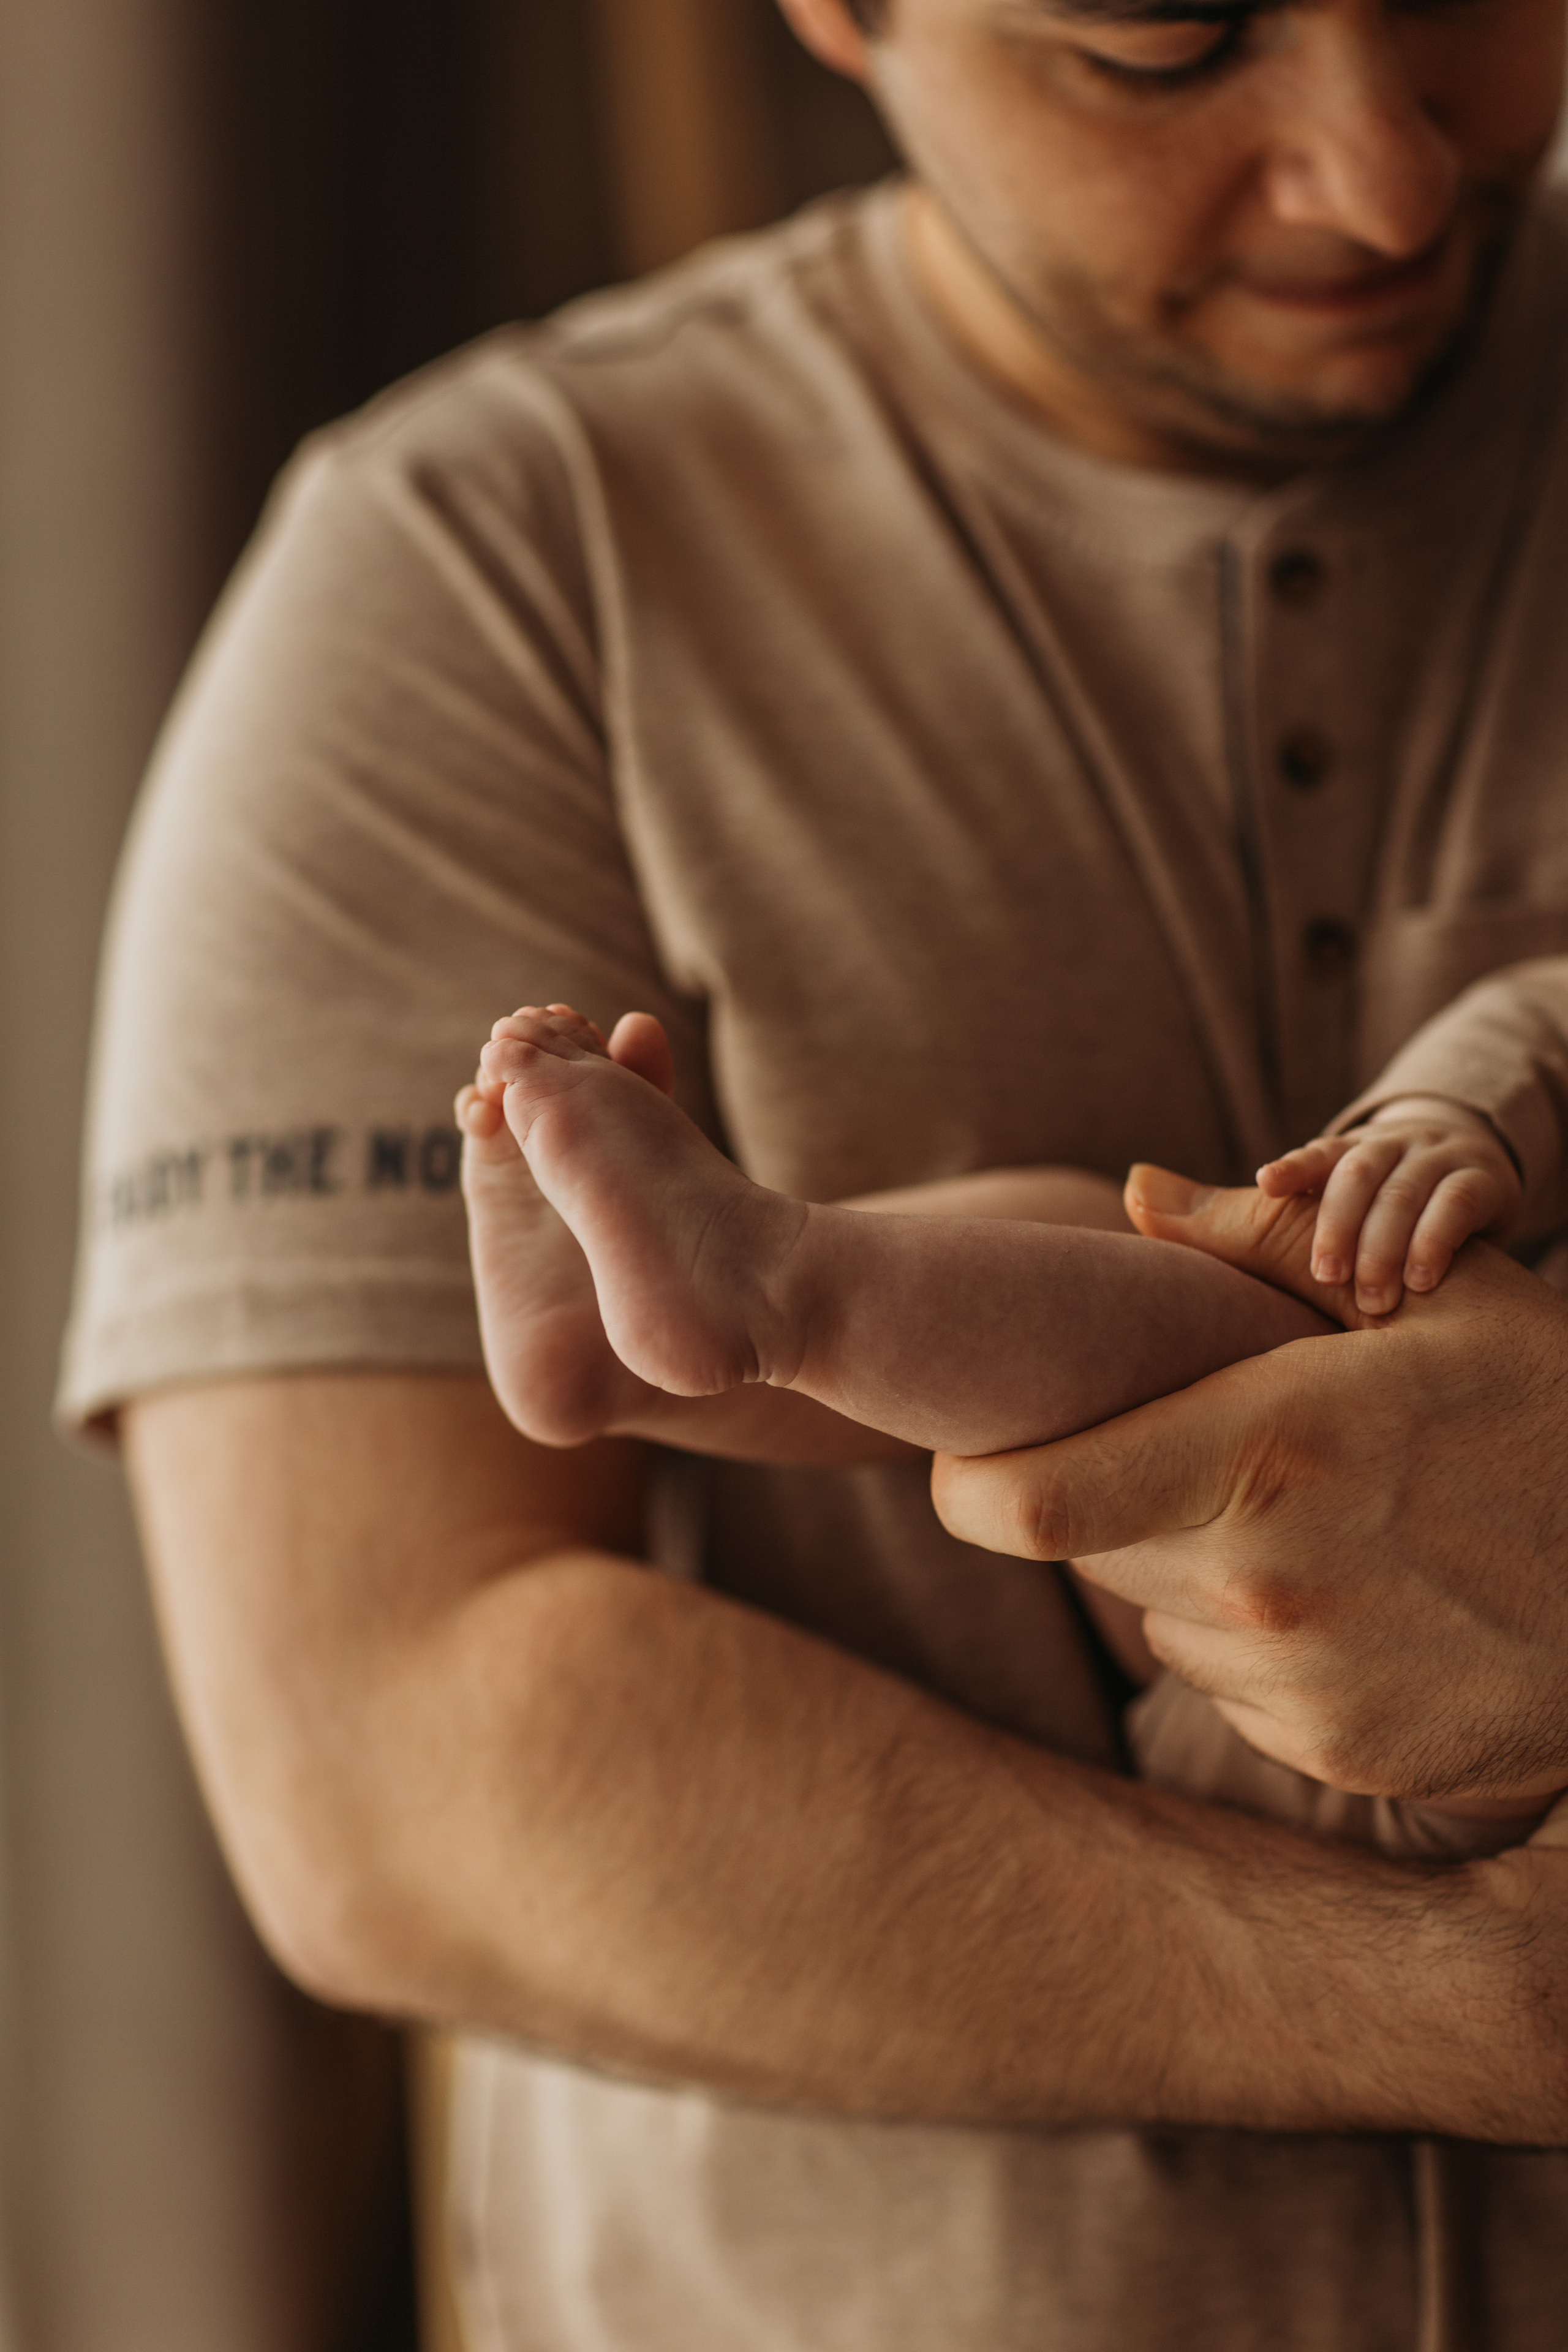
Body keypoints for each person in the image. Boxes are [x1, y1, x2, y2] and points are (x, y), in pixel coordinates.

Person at [59, 0, 1568, 2342]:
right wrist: (1483, 2014)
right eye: (1160, 50)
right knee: (1082, 1272)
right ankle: (765, 1305)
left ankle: (774, 1298)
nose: (1381, 174)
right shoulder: (485, 569)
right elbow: (391, 1757)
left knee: (1135, 1304)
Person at [456, 991, 1556, 1853]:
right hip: (1350, 1490)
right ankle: (626, 1353)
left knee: (1226, 1349)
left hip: (1442, 1744)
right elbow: (1546, 1010)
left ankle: (761, 1282)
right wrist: (1446, 1120)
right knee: (1099, 1255)